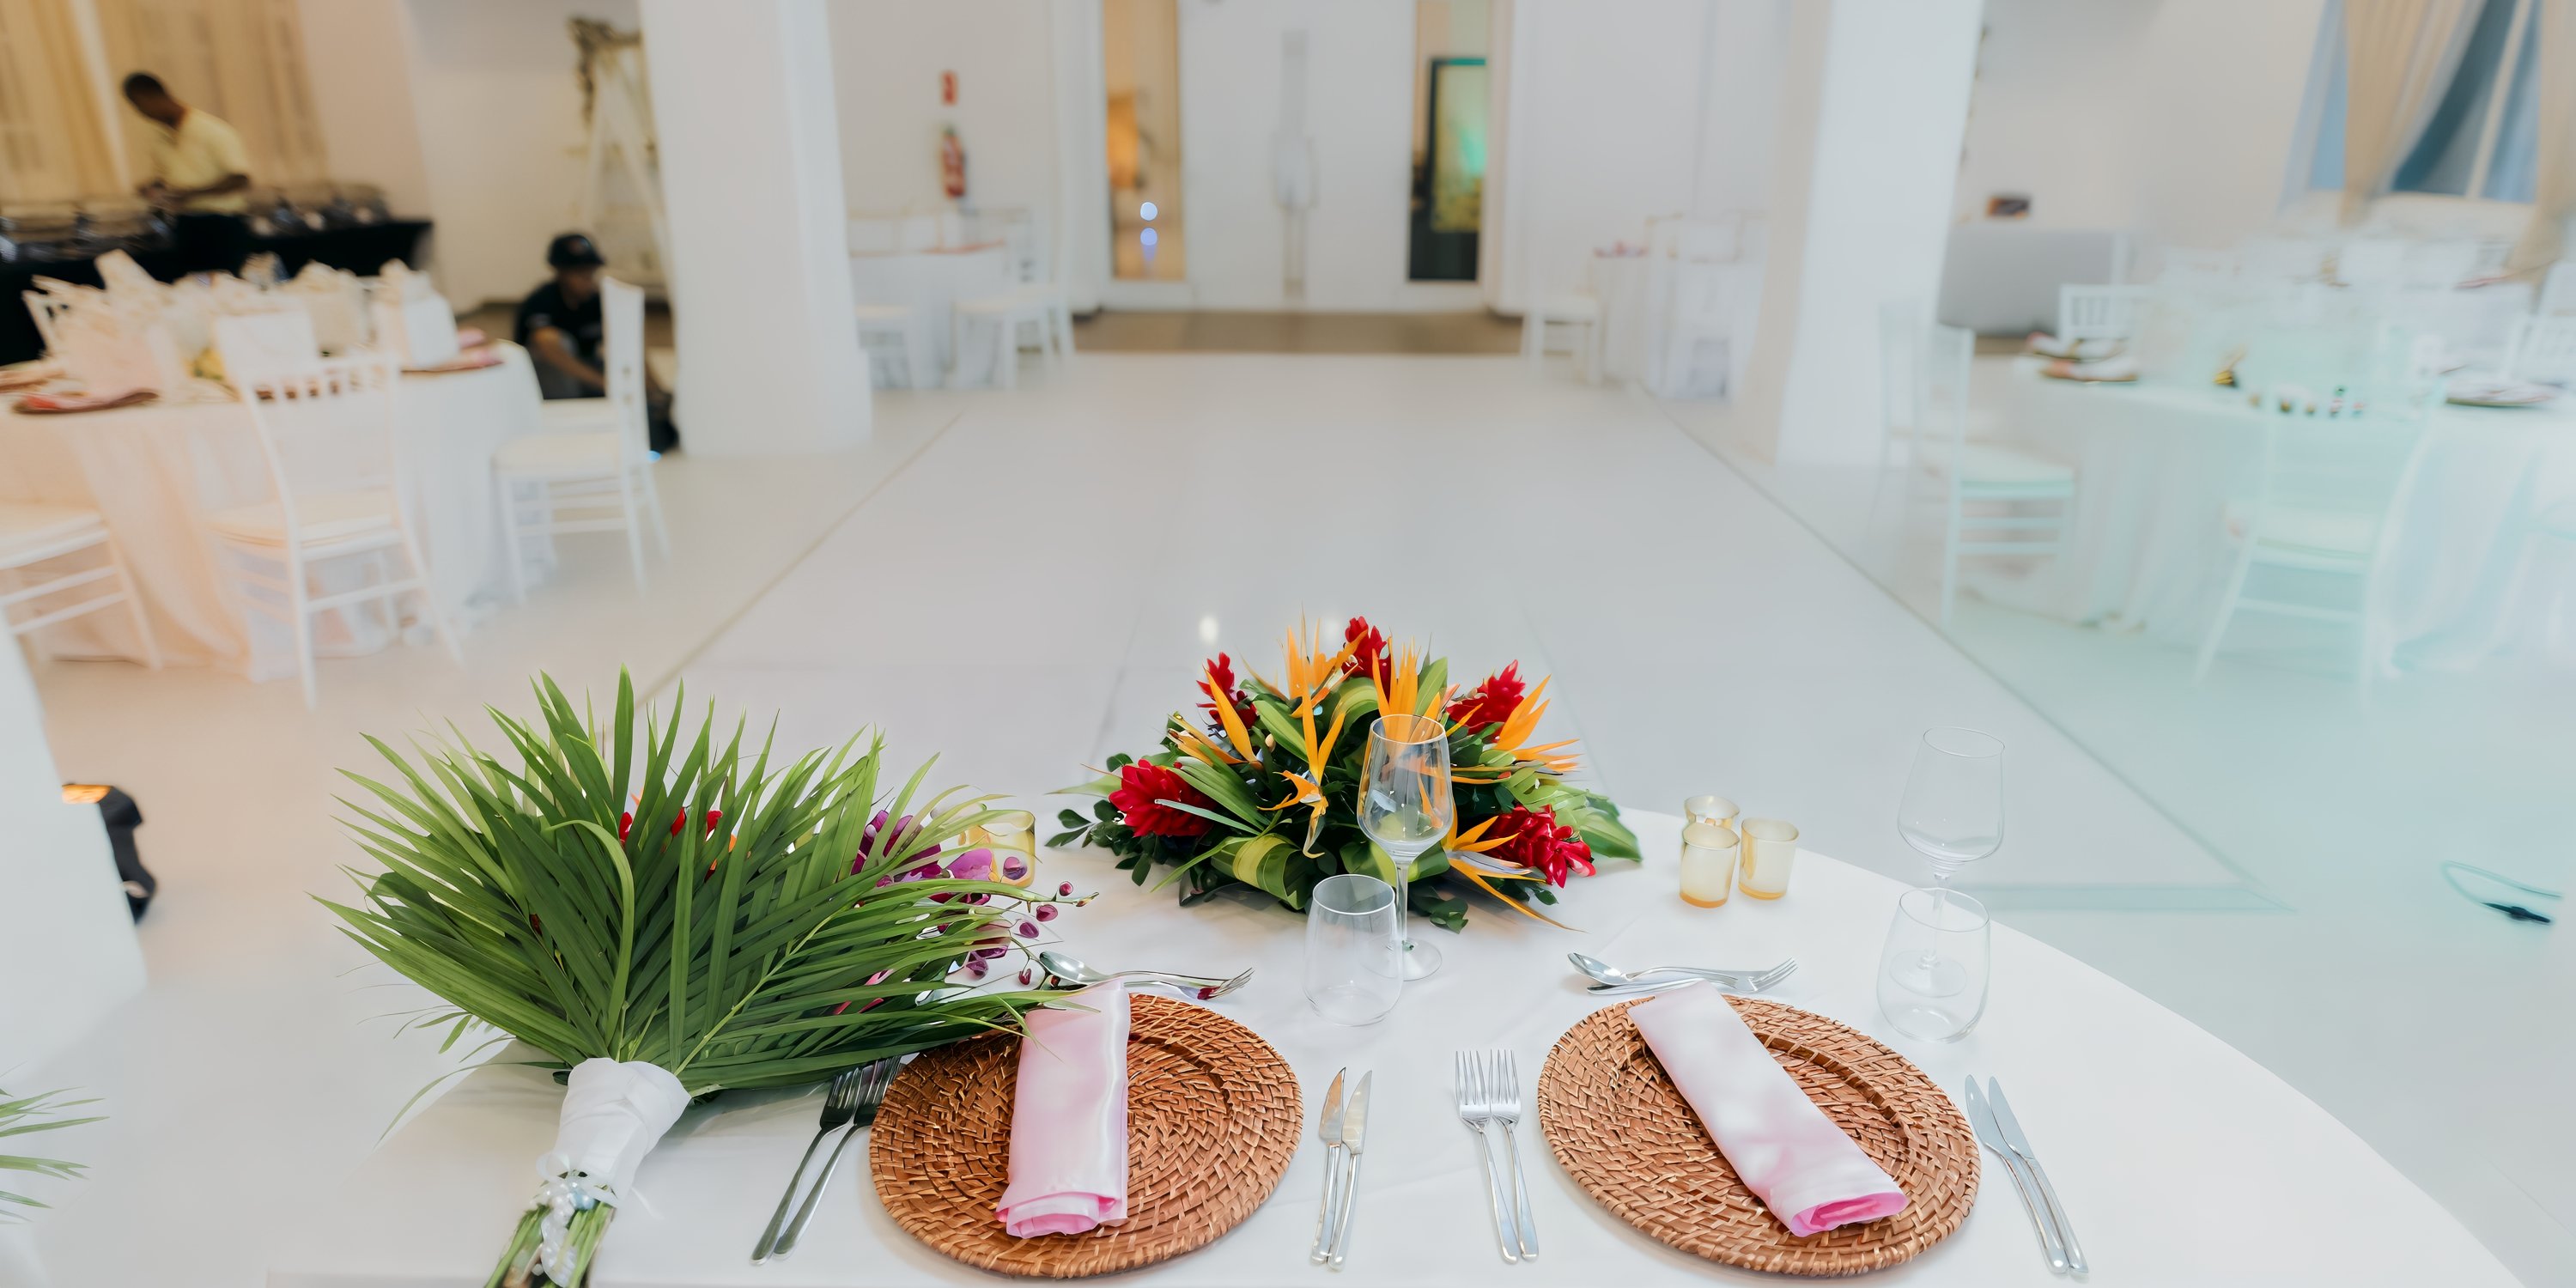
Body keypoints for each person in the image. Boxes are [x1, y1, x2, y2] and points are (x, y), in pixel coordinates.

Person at [515, 232, 677, 453]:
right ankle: (574, 416)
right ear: (560, 273)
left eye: (590, 273)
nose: (587, 279)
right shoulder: (540, 302)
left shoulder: (596, 301)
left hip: (586, 367)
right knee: (551, 340)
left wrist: (652, 388)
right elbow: (544, 345)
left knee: (623, 335)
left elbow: (627, 341)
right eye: (580, 273)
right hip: (550, 381)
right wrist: (606, 384)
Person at [120, 73, 252, 276]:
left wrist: (191, 194)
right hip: (187, 223)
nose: (142, 113)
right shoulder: (160, 136)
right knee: (193, 289)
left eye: (139, 106)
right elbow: (166, 178)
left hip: (222, 225)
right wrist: (153, 187)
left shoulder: (212, 130)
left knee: (225, 287)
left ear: (151, 97)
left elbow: (240, 179)